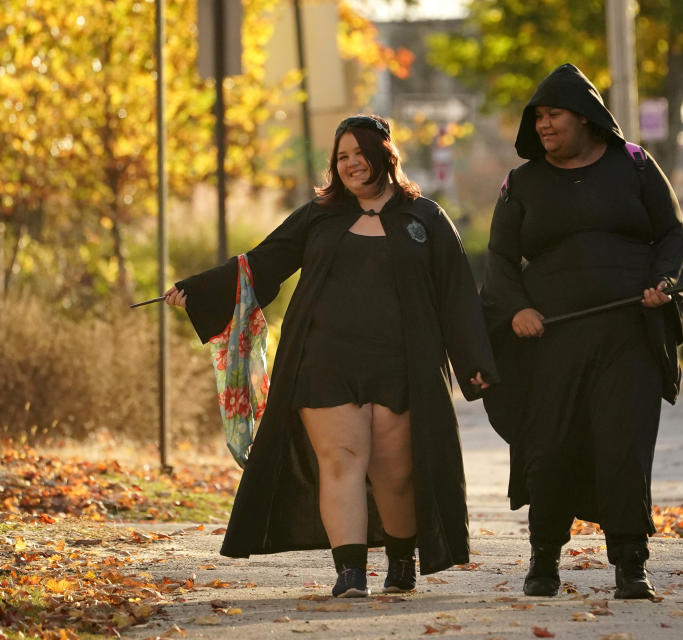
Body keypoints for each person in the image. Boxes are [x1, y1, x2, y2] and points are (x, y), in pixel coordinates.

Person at [164, 114, 498, 598]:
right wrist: (199, 290)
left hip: (401, 363)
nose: (350, 164)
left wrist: (475, 363)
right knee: (340, 460)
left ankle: (401, 557)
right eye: (342, 157)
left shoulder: (423, 217)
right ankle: (350, 573)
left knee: (394, 470)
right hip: (323, 358)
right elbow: (263, 262)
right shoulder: (318, 216)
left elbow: (456, 295)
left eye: (360, 154)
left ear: (384, 155)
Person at [480, 64, 683, 600]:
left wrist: (663, 283)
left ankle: (629, 564)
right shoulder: (522, 183)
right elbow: (500, 259)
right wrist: (517, 309)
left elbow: (671, 234)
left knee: (624, 445)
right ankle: (544, 560)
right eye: (538, 117)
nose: (543, 125)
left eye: (553, 114)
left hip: (628, 335)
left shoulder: (636, 165)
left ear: (586, 118)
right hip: (552, 340)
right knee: (550, 447)